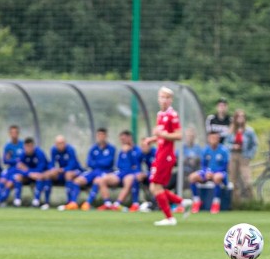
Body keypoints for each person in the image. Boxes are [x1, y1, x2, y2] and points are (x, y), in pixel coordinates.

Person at [144, 87, 192, 226]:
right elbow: (161, 135)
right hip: (160, 153)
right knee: (155, 187)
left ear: (171, 100)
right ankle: (182, 202)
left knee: (155, 186)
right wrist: (152, 139)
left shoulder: (172, 115)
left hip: (167, 155)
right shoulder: (160, 114)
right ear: (158, 98)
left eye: (167, 97)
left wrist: (162, 135)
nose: (164, 100)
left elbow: (178, 135)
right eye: (162, 97)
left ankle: (170, 218)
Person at [61, 128, 116, 211]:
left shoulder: (111, 148)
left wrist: (96, 162)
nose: (101, 137)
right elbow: (89, 162)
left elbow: (108, 162)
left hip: (105, 171)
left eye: (102, 135)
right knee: (77, 181)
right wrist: (99, 162)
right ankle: (73, 203)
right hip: (93, 171)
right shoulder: (93, 148)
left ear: (106, 136)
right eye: (99, 135)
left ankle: (87, 203)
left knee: (98, 181)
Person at [97, 130, 146, 212]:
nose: (122, 141)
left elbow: (137, 164)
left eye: (124, 139)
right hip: (121, 173)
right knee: (101, 179)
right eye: (121, 139)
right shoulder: (121, 151)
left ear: (129, 138)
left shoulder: (137, 149)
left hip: (132, 173)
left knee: (128, 179)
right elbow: (119, 165)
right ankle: (107, 204)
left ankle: (117, 204)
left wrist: (129, 152)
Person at [189, 131, 230, 214]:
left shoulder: (224, 150)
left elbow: (225, 166)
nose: (213, 140)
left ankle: (216, 203)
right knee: (192, 177)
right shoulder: (205, 150)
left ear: (218, 139)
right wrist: (207, 172)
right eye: (212, 138)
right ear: (208, 139)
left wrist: (213, 173)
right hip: (208, 173)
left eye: (215, 138)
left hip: (220, 173)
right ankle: (196, 201)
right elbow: (203, 165)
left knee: (217, 177)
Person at [225, 109, 258, 205]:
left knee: (247, 180)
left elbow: (255, 144)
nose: (240, 118)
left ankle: (252, 202)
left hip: (244, 156)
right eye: (238, 116)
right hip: (233, 156)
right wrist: (232, 146)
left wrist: (249, 155)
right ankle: (236, 203)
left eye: (242, 116)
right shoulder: (231, 130)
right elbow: (225, 143)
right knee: (234, 181)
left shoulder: (249, 131)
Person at [11, 137, 50, 208]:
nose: (28, 148)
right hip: (29, 176)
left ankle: (36, 201)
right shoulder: (22, 154)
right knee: (18, 177)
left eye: (30, 146)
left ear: (33, 146)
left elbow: (41, 168)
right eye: (26, 147)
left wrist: (28, 170)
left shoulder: (40, 153)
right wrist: (29, 173)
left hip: (39, 175)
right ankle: (17, 201)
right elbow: (18, 168)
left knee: (40, 176)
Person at [45, 135, 83, 206]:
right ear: (55, 144)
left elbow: (73, 164)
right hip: (62, 172)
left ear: (65, 143)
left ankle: (69, 202)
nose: (60, 145)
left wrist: (63, 169)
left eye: (62, 143)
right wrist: (53, 169)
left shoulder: (70, 149)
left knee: (68, 174)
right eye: (58, 143)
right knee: (49, 174)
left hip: (76, 170)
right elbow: (51, 163)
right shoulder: (54, 150)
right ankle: (46, 202)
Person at [0, 125, 24, 205]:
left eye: (15, 132)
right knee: (2, 179)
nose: (14, 134)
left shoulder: (22, 145)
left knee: (10, 182)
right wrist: (16, 160)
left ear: (18, 133)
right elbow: (5, 161)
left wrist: (13, 160)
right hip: (11, 169)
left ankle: (6, 200)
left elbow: (23, 160)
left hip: (19, 170)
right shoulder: (7, 146)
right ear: (9, 134)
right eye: (12, 133)